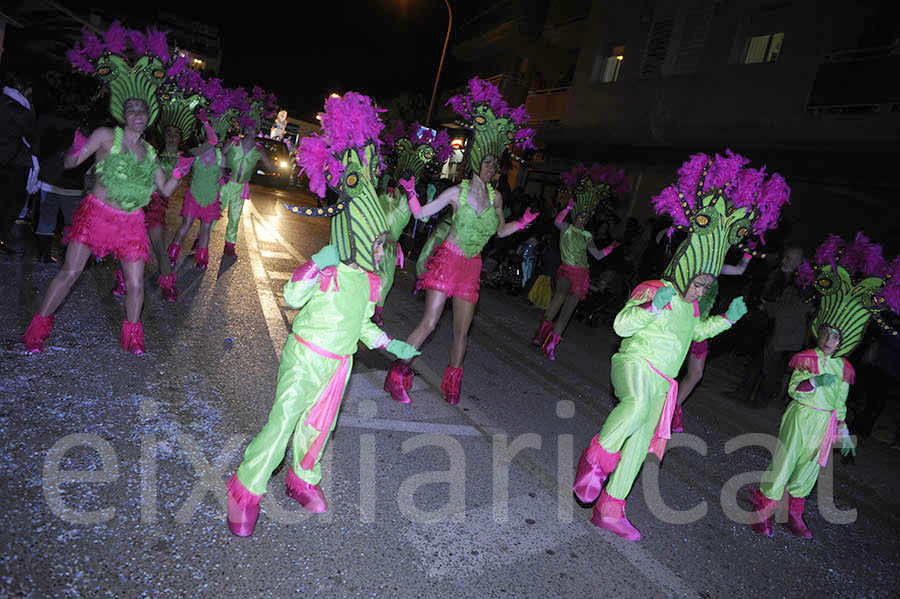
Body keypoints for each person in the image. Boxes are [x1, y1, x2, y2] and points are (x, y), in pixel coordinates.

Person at [226, 92, 419, 537]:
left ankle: (301, 479)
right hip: (307, 355)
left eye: (381, 244)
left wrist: (390, 345)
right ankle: (245, 487)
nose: (377, 250)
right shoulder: (330, 264)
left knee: (318, 428)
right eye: (373, 242)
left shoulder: (369, 281)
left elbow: (364, 322)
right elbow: (293, 297)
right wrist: (316, 263)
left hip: (339, 364)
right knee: (284, 421)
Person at [573, 150, 790, 541]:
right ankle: (594, 460)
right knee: (635, 407)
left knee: (639, 444)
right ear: (685, 268)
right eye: (699, 280)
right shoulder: (657, 288)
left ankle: (611, 507)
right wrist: (649, 307)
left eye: (708, 285)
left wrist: (727, 318)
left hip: (663, 382)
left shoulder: (691, 309)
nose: (701, 287)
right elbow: (622, 325)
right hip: (634, 364)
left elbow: (695, 333)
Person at [23, 23, 190, 353]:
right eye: (131, 109)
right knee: (70, 272)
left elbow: (165, 190)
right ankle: (37, 330)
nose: (137, 115)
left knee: (137, 283)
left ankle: (133, 336)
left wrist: (181, 172)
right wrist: (74, 149)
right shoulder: (104, 136)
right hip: (97, 215)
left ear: (149, 116)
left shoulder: (151, 153)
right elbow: (71, 164)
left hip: (131, 222)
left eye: (142, 110)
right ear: (123, 113)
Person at [383, 77, 538, 405]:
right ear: (477, 160)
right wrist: (411, 193)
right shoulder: (458, 191)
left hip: (472, 267)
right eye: (486, 160)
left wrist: (522, 223)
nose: (490, 166)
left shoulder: (496, 198)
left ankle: (452, 382)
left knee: (461, 332)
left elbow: (499, 232)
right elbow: (423, 213)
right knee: (429, 322)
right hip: (449, 260)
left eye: (495, 162)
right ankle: (398, 373)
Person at [749, 233, 899, 538]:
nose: (831, 342)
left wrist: (842, 430)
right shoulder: (807, 358)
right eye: (827, 335)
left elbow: (841, 402)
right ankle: (763, 508)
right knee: (787, 460)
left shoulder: (845, 368)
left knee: (808, 468)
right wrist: (813, 380)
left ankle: (794, 513)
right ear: (819, 331)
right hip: (802, 415)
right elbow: (793, 389)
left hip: (825, 422)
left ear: (846, 342)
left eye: (837, 338)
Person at [112, 69, 206, 300]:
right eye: (169, 133)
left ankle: (167, 284)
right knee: (126, 246)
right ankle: (123, 281)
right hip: (135, 203)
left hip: (156, 207)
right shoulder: (153, 151)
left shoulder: (185, 155)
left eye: (176, 133)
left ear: (181, 136)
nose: (172, 136)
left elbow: (209, 147)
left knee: (159, 249)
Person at [533, 164, 625, 360]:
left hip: (582, 274)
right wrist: (568, 206)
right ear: (576, 215)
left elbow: (598, 255)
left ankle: (551, 344)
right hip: (566, 270)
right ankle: (541, 333)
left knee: (569, 309)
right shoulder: (566, 228)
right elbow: (557, 222)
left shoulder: (587, 235)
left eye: (586, 217)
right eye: (581, 216)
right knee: (560, 296)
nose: (583, 220)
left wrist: (611, 248)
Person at [373, 120, 451, 326]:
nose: (405, 178)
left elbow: (423, 217)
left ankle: (376, 313)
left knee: (386, 280)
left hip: (389, 246)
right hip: (370, 240)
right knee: (366, 275)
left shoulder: (411, 199)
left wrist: (432, 198)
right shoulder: (384, 189)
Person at [670, 251, 754, 431]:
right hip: (682, 322)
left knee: (696, 374)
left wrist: (748, 253)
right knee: (670, 368)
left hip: (701, 326)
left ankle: (673, 408)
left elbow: (739, 270)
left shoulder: (716, 269)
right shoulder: (694, 265)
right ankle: (658, 407)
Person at [167, 78, 240, 269]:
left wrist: (226, 177)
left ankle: (199, 258)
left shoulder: (217, 155)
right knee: (188, 225)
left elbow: (221, 180)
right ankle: (175, 255)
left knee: (204, 228)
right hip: (196, 194)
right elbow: (184, 170)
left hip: (209, 196)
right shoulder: (198, 152)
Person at [741, 247, 813, 408]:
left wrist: (769, 307)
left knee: (770, 368)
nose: (784, 260)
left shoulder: (803, 285)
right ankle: (744, 392)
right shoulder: (778, 274)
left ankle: (761, 400)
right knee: (756, 361)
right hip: (766, 326)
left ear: (798, 263)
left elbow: (796, 309)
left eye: (789, 258)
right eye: (785, 257)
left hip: (783, 332)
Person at [218, 87, 278, 259]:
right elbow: (221, 153)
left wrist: (283, 169)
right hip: (226, 184)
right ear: (244, 128)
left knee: (235, 218)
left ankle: (229, 246)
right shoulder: (234, 142)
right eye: (248, 127)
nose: (250, 130)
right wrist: (221, 171)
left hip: (241, 188)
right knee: (215, 212)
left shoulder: (259, 149)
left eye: (254, 127)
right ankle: (201, 239)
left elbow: (270, 166)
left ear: (257, 129)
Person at [0, 71, 39, 254]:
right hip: (14, 162)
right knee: (13, 202)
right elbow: (31, 133)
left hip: (7, 159)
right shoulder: (19, 110)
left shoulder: (4, 101)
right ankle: (5, 237)